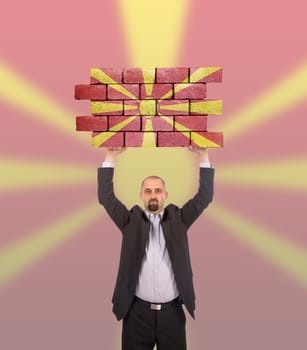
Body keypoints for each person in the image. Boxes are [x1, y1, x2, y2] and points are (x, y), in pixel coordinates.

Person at [98, 146, 214, 350]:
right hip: (136, 314)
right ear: (141, 195)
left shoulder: (179, 219)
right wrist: (111, 155)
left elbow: (204, 197)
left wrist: (203, 156)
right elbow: (106, 198)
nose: (153, 195)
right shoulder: (129, 221)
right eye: (148, 191)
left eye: (158, 191)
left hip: (173, 315)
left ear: (165, 195)